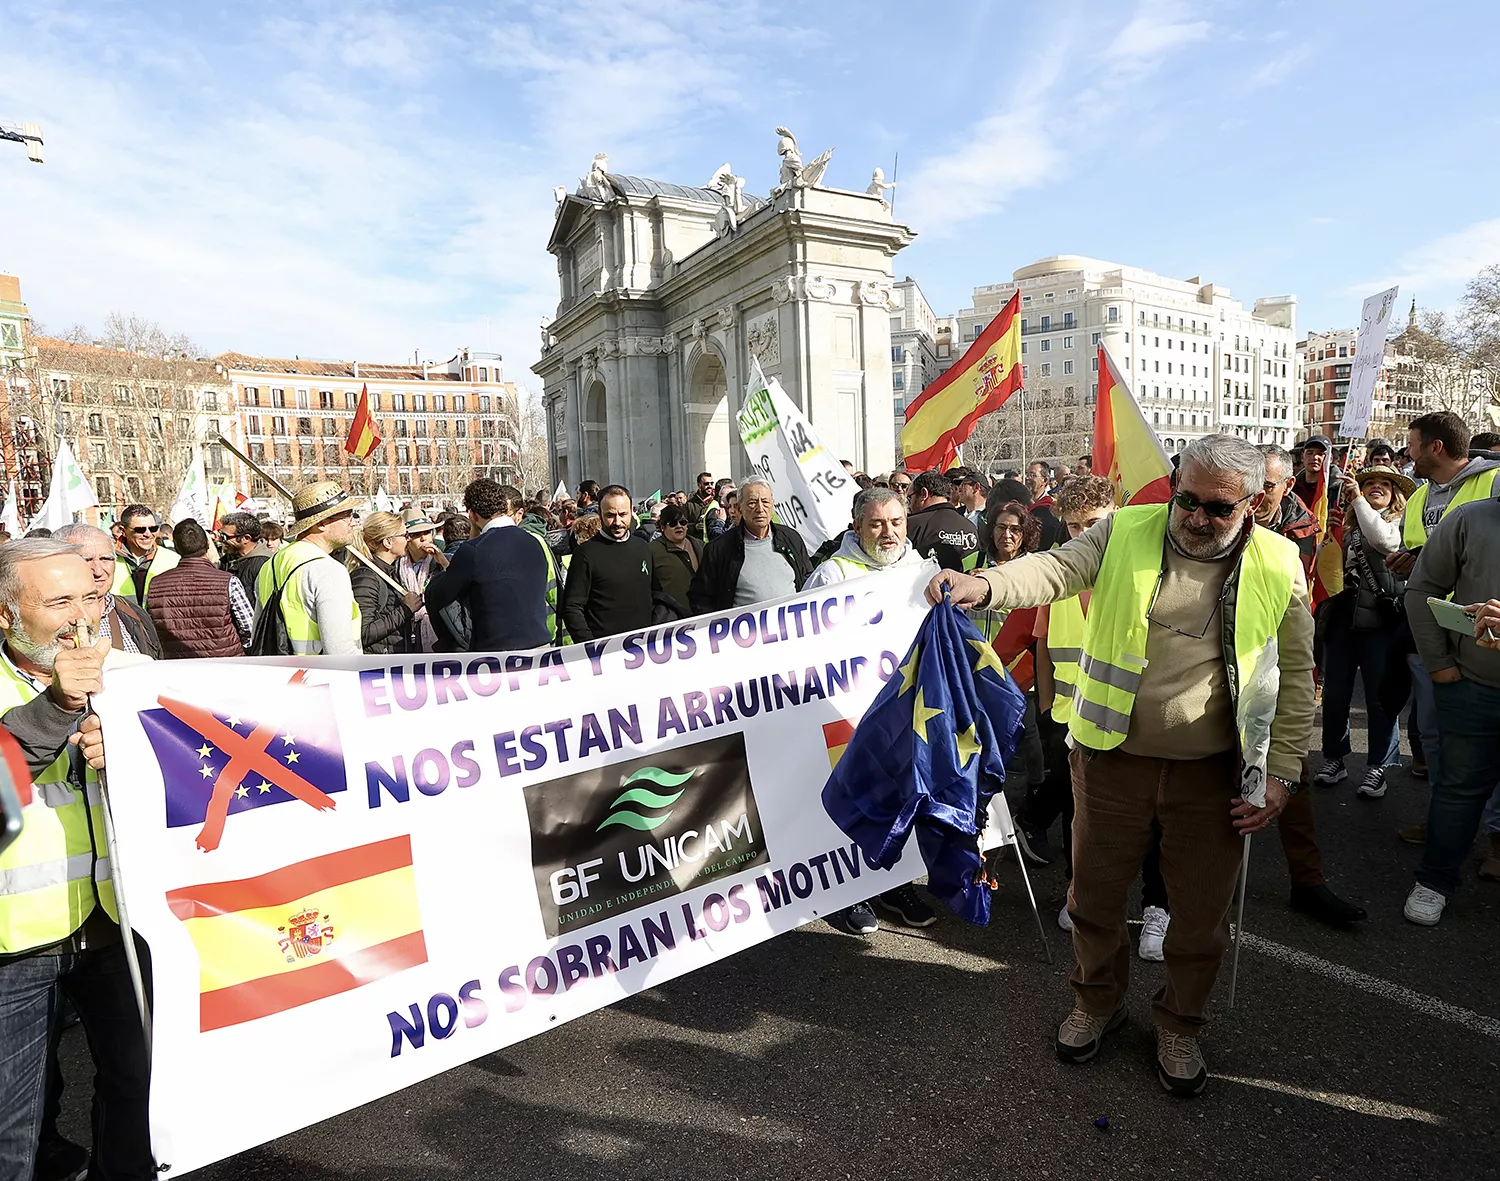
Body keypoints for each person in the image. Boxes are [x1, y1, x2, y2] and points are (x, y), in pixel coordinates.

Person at [929, 435, 1313, 1097]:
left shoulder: (1280, 563)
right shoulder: (1124, 529)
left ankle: (1180, 1024)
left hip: (1213, 777)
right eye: (1186, 499)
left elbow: (1300, 676)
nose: (1196, 517)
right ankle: (1096, 1003)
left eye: (1217, 508)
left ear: (1251, 504)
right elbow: (1054, 569)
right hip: (1109, 762)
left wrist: (1281, 773)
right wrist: (983, 584)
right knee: (1094, 901)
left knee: (1200, 919)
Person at [0, 539, 155, 1180]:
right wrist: (58, 709)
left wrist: (137, 760)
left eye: (90, 597)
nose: (81, 618)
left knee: (139, 1091)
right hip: (17, 942)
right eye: (59, 601)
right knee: (13, 1124)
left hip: (118, 923)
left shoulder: (134, 674)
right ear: (6, 614)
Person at [805, 486, 937, 934]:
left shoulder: (922, 571)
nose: (888, 533)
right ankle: (851, 891)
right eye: (877, 524)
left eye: (896, 523)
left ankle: (895, 883)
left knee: (900, 797)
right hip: (847, 711)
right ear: (857, 526)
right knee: (854, 798)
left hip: (903, 709)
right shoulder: (833, 574)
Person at [1249, 446, 1370, 927]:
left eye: (1268, 486)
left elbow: (1287, 593)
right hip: (1223, 667)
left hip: (1276, 660)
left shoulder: (1300, 526)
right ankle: (1189, 887)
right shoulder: (1225, 512)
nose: (1257, 494)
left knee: (1291, 776)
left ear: (1287, 484)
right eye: (1252, 483)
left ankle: (1308, 881)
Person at [1387, 412, 1500, 805]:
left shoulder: (1494, 482)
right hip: (1431, 636)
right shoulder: (1419, 496)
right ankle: (1443, 814)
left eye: (1411, 444)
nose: (1407, 453)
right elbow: (1425, 562)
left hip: (1482, 642)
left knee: (1482, 747)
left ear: (1436, 447)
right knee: (1434, 733)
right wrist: (1409, 562)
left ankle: (1492, 829)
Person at [1401, 487, 1500, 925]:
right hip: (1474, 687)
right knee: (1458, 791)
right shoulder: (1470, 519)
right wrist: (1440, 665)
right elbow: (1422, 588)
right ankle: (1436, 880)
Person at [1313, 465, 1412, 795]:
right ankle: (1334, 758)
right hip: (1343, 618)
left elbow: (1384, 541)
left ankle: (1378, 767)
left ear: (1395, 494)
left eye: (1385, 484)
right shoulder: (1347, 523)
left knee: (1380, 697)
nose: (1376, 487)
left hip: (1381, 622)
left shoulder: (1398, 521)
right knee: (1336, 694)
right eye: (1369, 483)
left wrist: (1357, 501)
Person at [424, 481, 551, 652]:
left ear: (472, 515)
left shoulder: (473, 550)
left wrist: (472, 535)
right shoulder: (534, 541)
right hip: (540, 645)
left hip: (497, 653)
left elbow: (438, 594)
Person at [254, 481, 361, 655]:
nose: (353, 523)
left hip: (280, 670)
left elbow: (258, 631)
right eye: (347, 515)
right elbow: (340, 651)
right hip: (319, 671)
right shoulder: (328, 571)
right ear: (322, 523)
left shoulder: (270, 565)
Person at [689, 479, 812, 614]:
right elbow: (700, 598)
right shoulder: (719, 549)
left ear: (772, 504)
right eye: (752, 503)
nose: (760, 509)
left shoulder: (791, 538)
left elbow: (808, 580)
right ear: (740, 508)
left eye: (765, 502)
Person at [145, 519, 254, 657]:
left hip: (176, 663)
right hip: (225, 661)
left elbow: (150, 629)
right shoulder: (228, 581)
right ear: (208, 544)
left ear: (176, 548)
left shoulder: (156, 584)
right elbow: (249, 627)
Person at [560, 484, 655, 642]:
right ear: (600, 514)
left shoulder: (643, 547)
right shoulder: (585, 554)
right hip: (604, 650)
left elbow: (655, 593)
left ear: (631, 512)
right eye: (610, 515)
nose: (617, 521)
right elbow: (572, 607)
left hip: (644, 647)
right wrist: (591, 647)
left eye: (623, 514)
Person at [53, 523, 162, 659]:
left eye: (106, 559)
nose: (98, 571)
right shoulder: (46, 621)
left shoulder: (135, 614)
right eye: (86, 560)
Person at [348, 512, 422, 656]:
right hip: (375, 665)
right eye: (404, 535)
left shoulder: (390, 572)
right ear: (388, 542)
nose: (408, 539)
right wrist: (405, 610)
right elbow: (362, 633)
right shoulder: (366, 578)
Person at [905, 471, 980, 572]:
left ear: (924, 493)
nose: (909, 505)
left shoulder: (911, 525)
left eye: (910, 498)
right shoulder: (970, 527)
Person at [396, 508, 445, 653]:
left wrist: (443, 563)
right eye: (417, 535)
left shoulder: (440, 562)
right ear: (407, 539)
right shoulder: (397, 565)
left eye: (427, 532)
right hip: (405, 632)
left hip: (437, 631)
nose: (424, 539)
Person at [111, 504, 179, 607]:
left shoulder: (173, 559)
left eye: (153, 529)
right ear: (123, 531)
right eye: (140, 530)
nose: (148, 534)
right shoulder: (106, 560)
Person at [649, 502, 703, 619]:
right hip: (673, 618)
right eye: (673, 523)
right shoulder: (652, 550)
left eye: (683, 522)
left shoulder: (700, 545)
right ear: (663, 527)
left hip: (702, 614)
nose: (679, 526)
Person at [217, 511, 273, 604]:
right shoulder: (226, 561)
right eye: (220, 534)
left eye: (224, 536)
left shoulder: (264, 564)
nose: (219, 540)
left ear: (246, 538)